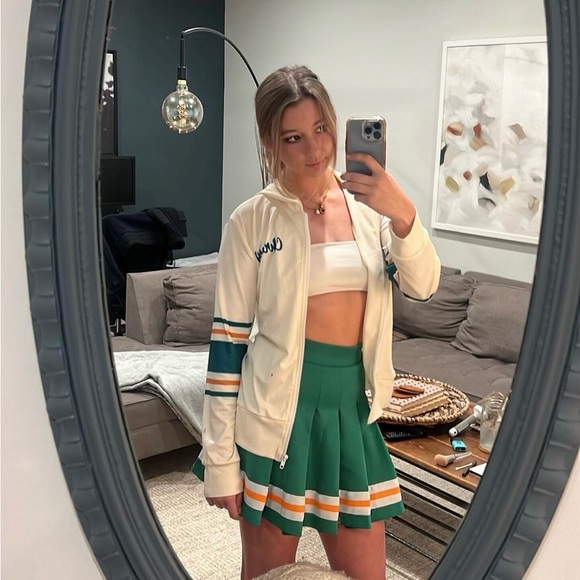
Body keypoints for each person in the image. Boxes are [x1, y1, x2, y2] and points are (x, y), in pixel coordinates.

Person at [192, 65, 440, 580]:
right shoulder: (251, 220)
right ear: (270, 143)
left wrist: (403, 215)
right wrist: (220, 461)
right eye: (294, 137)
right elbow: (228, 345)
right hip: (276, 416)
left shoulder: (370, 210)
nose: (315, 148)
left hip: (352, 412)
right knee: (268, 576)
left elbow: (422, 286)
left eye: (322, 128)